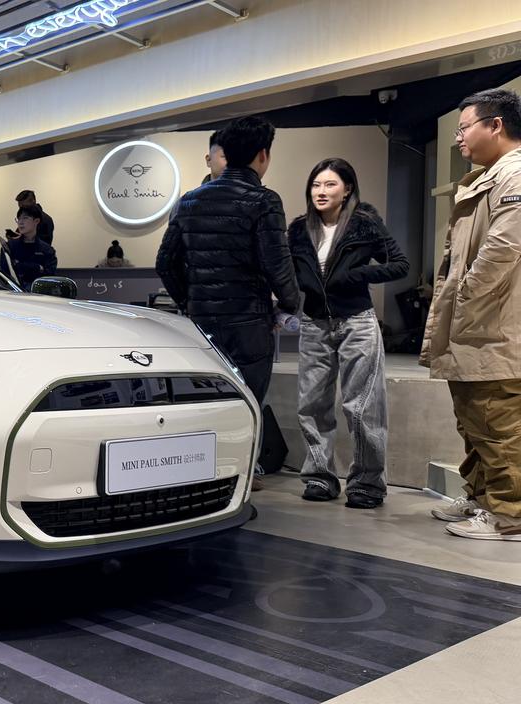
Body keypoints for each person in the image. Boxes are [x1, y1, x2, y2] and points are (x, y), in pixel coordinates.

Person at [155, 115, 300, 490]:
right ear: (262, 155)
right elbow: (277, 264)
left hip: (202, 324)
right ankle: (240, 479)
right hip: (250, 323)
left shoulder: (190, 201)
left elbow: (165, 263)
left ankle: (197, 475)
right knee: (247, 402)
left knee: (202, 403)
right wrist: (290, 304)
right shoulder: (264, 200)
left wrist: (190, 302)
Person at [422, 87, 521, 541]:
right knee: (477, 421)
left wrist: (464, 295)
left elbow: (504, 247)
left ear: (495, 125)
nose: (458, 137)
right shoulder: (490, 176)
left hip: (495, 328)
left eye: (464, 128)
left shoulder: (515, 175)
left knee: (499, 424)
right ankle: (483, 499)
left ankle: (509, 515)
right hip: (478, 326)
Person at [289, 158, 408, 509]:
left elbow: (400, 265)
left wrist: (357, 275)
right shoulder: (299, 229)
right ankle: (319, 477)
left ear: (347, 189)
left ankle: (367, 483)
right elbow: (290, 273)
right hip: (314, 324)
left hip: (356, 321)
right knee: (312, 405)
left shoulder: (364, 223)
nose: (321, 191)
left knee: (363, 406)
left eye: (330, 184)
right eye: (316, 185)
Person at [0, 205, 57, 288]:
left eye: (25, 218)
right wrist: (38, 267)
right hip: (14, 291)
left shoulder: (47, 250)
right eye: (18, 219)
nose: (20, 222)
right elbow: (6, 274)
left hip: (38, 292)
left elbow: (49, 277)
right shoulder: (9, 246)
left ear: (36, 221)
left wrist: (19, 265)